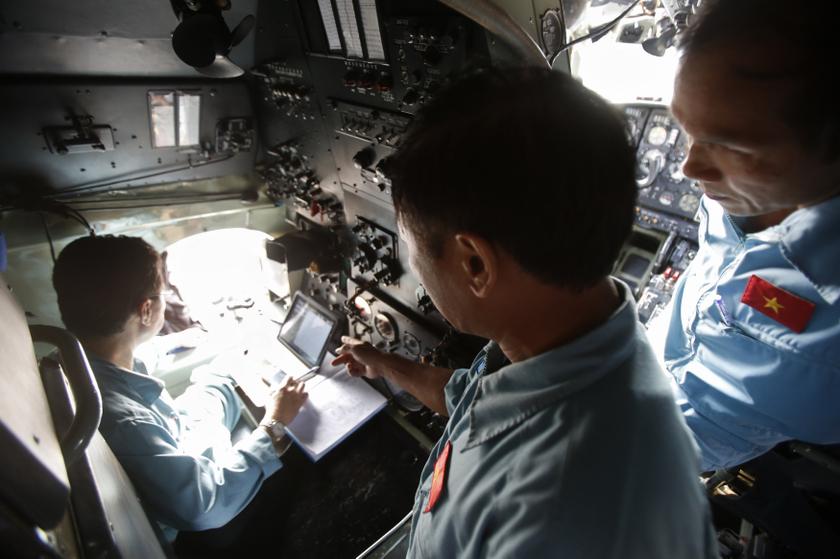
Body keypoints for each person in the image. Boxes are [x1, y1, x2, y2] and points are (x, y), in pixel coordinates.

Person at [333, 67, 716, 558]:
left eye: (411, 246)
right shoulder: (561, 335)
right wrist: (385, 364)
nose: (413, 264)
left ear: (475, 264)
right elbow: (471, 400)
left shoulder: (560, 518)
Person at [659, 0, 840, 472]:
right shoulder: (739, 191)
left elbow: (722, 428)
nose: (690, 167)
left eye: (732, 148)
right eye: (687, 130)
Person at [52, 234, 308, 542]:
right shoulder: (124, 421)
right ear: (146, 310)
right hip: (203, 520)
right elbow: (203, 506)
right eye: (162, 294)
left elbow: (147, 354)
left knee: (222, 373)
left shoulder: (78, 358)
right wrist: (274, 424)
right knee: (300, 455)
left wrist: (182, 341)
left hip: (178, 442)